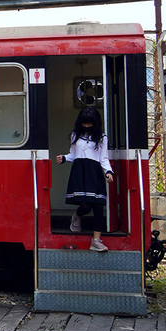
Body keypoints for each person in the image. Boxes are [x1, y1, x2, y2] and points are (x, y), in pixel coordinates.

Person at [55, 106, 114, 252]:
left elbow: (103, 158)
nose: (87, 126)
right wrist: (64, 158)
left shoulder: (102, 138)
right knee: (86, 206)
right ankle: (77, 216)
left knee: (98, 207)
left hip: (94, 173)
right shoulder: (75, 135)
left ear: (95, 122)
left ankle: (96, 241)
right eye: (84, 123)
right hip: (79, 172)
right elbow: (73, 155)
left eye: (90, 123)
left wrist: (108, 171)